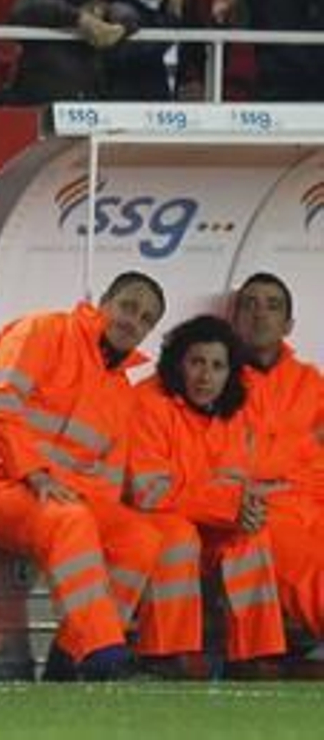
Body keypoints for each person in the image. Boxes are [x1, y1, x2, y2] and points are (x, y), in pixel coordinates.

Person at [0, 272, 203, 681]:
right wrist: (35, 474)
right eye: (127, 306)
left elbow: (104, 482)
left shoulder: (120, 388)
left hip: (55, 499)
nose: (132, 321)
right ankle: (102, 652)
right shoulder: (43, 331)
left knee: (140, 537)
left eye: (145, 319)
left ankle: (67, 661)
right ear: (103, 302)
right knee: (71, 519)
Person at [128, 314, 288, 675]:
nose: (205, 376)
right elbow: (148, 491)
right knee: (178, 535)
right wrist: (229, 506)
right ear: (177, 363)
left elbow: (235, 484)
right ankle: (165, 655)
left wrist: (243, 510)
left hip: (208, 521)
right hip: (148, 521)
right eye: (196, 362)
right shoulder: (148, 401)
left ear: (230, 373)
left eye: (217, 366)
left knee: (251, 535)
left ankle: (254, 656)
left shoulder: (233, 412)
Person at [229, 272, 324, 640]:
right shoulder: (216, 380)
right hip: (262, 511)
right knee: (314, 570)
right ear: (235, 319)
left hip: (313, 504)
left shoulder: (311, 383)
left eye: (273, 306)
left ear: (288, 324)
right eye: (249, 304)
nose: (260, 314)